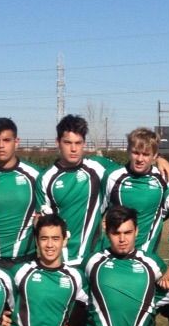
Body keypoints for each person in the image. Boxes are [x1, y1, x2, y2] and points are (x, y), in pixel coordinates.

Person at [38, 114, 121, 267]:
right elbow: (42, 223)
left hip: (94, 258)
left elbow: (132, 170)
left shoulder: (99, 167)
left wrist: (159, 159)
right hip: (61, 261)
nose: (74, 149)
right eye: (68, 142)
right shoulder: (45, 178)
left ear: (84, 143)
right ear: (58, 142)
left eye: (78, 143)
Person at [0, 117, 50, 268]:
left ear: (16, 142)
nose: (1, 146)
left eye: (6, 140)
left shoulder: (35, 174)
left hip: (26, 260)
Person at [102, 128, 169, 254]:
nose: (140, 159)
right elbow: (98, 213)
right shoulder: (113, 177)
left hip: (146, 255)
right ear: (128, 151)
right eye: (135, 152)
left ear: (155, 156)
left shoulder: (163, 178)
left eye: (146, 154)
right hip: (114, 254)